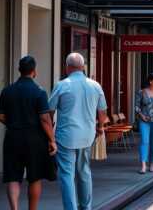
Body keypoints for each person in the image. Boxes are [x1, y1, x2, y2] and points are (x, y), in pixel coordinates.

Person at [0, 56, 57, 210]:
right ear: (34, 71)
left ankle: (14, 208)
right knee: (35, 177)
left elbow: (0, 115)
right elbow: (44, 118)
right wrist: (51, 140)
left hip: (13, 137)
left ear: (19, 70)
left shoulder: (7, 90)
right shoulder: (39, 91)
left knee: (13, 177)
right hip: (34, 139)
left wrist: (13, 123)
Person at [49, 53, 107, 210]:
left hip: (66, 136)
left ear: (67, 67)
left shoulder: (61, 85)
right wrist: (100, 127)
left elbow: (50, 110)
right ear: (83, 67)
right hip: (87, 136)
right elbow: (102, 112)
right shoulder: (95, 85)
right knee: (84, 172)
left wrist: (50, 131)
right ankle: (85, 207)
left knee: (67, 175)